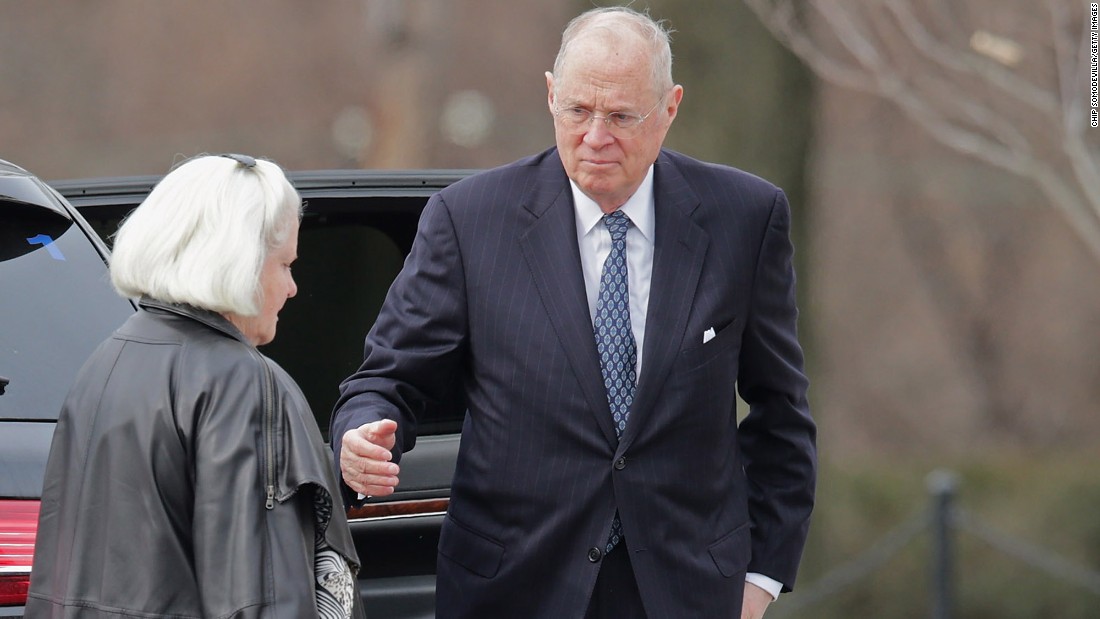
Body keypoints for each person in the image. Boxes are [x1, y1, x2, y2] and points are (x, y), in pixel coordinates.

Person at [332, 6, 816, 618]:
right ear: (551, 95)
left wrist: (760, 579)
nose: (595, 136)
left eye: (620, 116)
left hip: (688, 591)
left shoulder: (744, 217)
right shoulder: (470, 220)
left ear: (669, 110)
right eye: (578, 111)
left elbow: (783, 415)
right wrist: (363, 437)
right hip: (511, 589)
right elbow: (386, 380)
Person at [27, 154, 365, 619]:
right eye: (285, 264)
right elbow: (262, 597)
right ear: (238, 260)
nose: (292, 288)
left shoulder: (107, 360)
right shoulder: (246, 385)